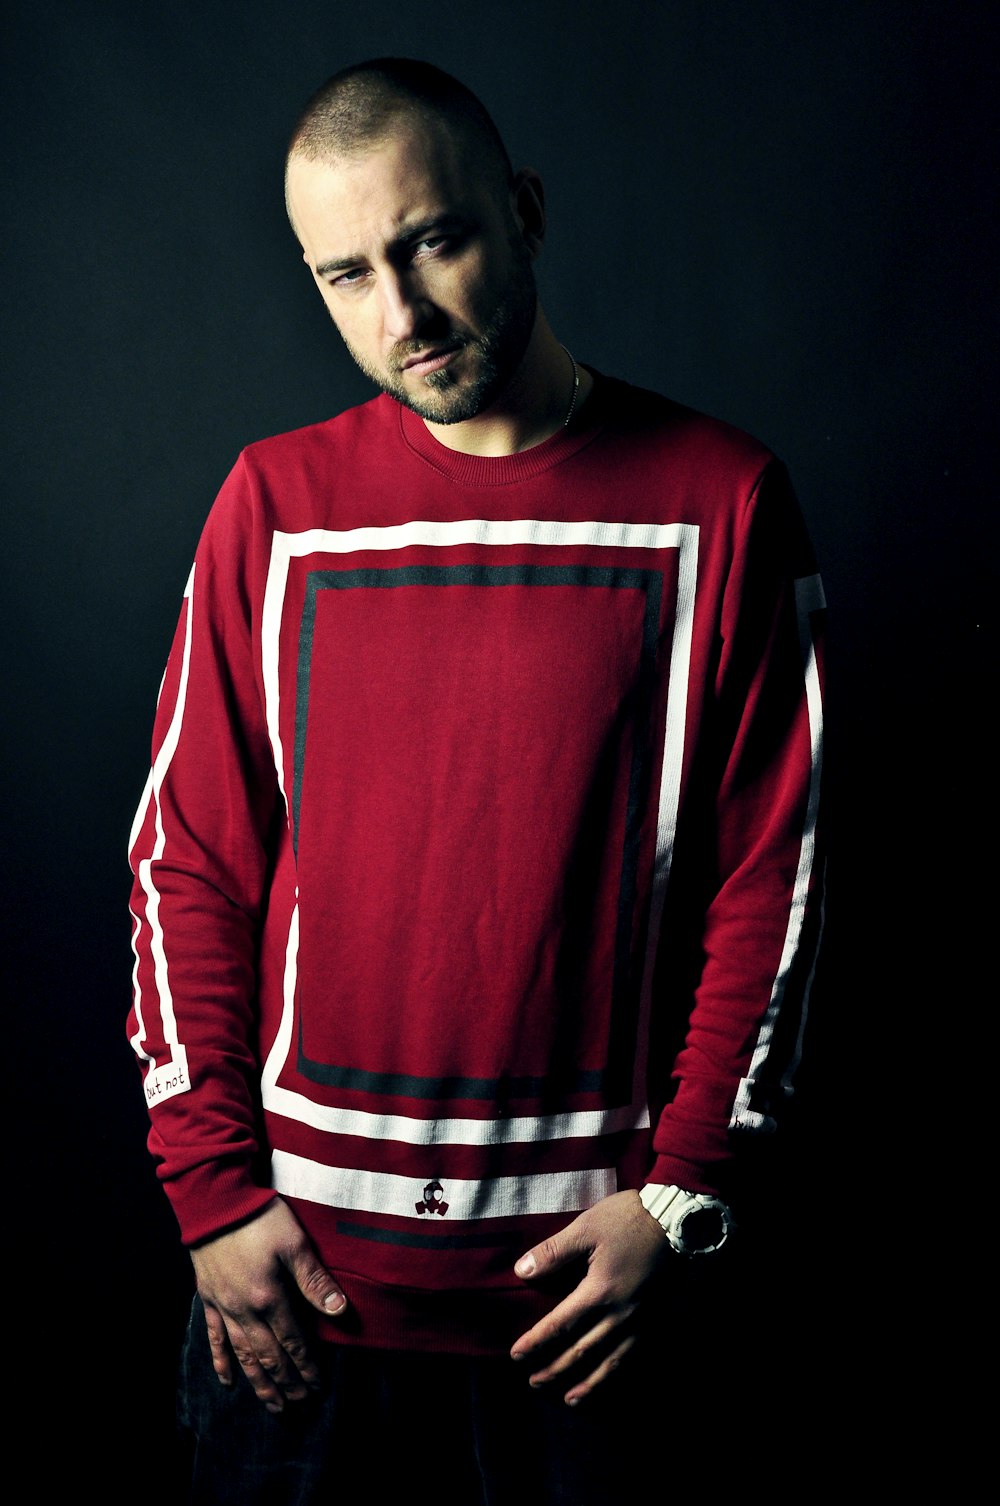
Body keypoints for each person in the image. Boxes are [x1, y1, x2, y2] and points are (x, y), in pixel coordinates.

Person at [128, 56, 826, 1504]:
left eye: (432, 241)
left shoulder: (720, 498)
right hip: (300, 1296)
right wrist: (209, 1192)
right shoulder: (274, 505)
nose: (401, 317)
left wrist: (686, 1192)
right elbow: (189, 858)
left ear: (521, 212)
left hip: (588, 1309)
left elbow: (775, 875)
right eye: (345, 275)